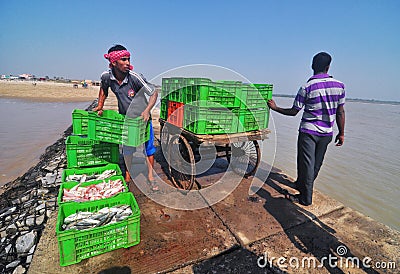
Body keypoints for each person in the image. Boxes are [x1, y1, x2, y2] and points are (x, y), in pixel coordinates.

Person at [267, 52, 345, 206]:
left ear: (312, 66)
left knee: (307, 164)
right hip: (327, 133)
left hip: (309, 132)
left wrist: (275, 108)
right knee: (316, 164)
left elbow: (294, 111)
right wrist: (341, 133)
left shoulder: (307, 87)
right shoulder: (340, 86)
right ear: (328, 67)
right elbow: (340, 111)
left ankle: (305, 198)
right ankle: (301, 185)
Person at [93, 44, 158, 189]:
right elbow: (103, 90)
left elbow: (153, 92)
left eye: (128, 59)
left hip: (143, 118)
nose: (128, 63)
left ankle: (151, 176)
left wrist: (147, 110)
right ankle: (127, 174)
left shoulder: (134, 77)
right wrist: (100, 105)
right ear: (114, 63)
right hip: (126, 118)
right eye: (124, 60)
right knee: (128, 148)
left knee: (148, 147)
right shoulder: (106, 77)